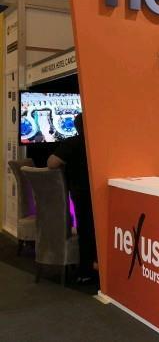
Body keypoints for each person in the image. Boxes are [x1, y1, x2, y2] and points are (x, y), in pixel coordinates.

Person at [47, 113, 97, 282]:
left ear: (76, 127)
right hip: (99, 190)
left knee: (85, 229)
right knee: (95, 229)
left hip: (81, 191)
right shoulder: (99, 142)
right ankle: (96, 265)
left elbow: (52, 163)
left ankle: (86, 271)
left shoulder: (72, 143)